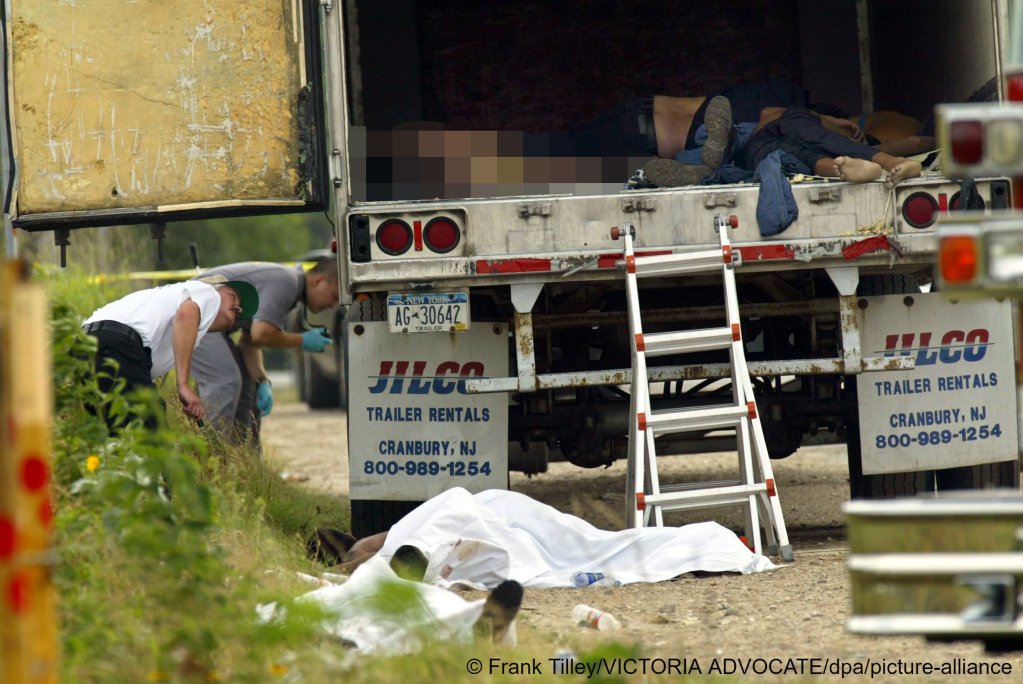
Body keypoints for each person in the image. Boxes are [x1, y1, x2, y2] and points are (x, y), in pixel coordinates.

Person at [189, 258, 341, 444]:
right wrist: (302, 340)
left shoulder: (289, 285)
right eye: (334, 296)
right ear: (318, 281)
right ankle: (208, 454)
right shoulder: (288, 283)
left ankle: (241, 459)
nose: (333, 305)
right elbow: (262, 334)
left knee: (247, 386)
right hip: (193, 316)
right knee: (226, 380)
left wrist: (262, 380)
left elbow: (250, 341)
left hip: (206, 321)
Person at [82, 275, 259, 434]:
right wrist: (183, 385)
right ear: (216, 287)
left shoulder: (161, 306)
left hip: (87, 345)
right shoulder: (206, 292)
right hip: (117, 344)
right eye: (233, 297)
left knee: (111, 434)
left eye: (240, 312)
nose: (239, 308)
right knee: (152, 439)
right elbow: (186, 313)